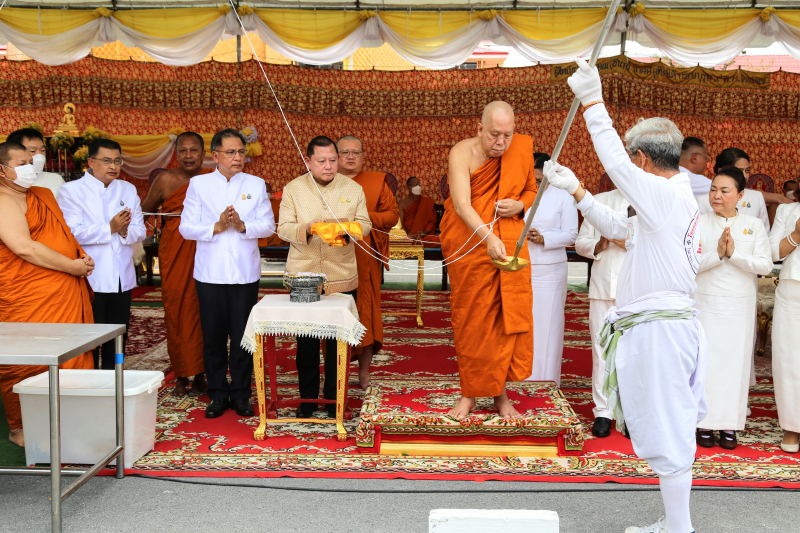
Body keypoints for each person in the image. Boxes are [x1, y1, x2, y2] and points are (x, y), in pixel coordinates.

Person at [548, 58, 707, 533]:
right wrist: (578, 191)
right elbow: (621, 228)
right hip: (662, 327)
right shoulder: (670, 200)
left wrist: (594, 101)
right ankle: (674, 524)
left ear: (642, 159)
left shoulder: (664, 195)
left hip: (661, 330)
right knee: (666, 425)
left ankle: (680, 529)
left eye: (632, 163)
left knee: (670, 429)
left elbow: (614, 162)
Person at [440, 101, 538, 420]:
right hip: (472, 245)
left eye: (507, 135)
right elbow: (461, 204)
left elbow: (532, 191)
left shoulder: (521, 150)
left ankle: (501, 397)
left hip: (508, 243)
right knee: (472, 321)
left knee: (503, 323)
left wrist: (520, 205)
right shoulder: (461, 153)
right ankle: (469, 394)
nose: (501, 143)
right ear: (479, 128)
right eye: (494, 134)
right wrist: (489, 238)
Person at [0, 142, 95, 447]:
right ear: (2, 170)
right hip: (27, 297)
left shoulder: (42, 195)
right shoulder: (3, 200)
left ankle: (70, 422)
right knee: (26, 359)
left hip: (64, 290)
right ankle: (21, 428)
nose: (31, 168)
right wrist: (71, 265)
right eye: (22, 163)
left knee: (72, 353)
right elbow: (24, 247)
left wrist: (80, 258)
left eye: (32, 161)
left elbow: (62, 235)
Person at [179, 129, 275, 418]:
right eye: (231, 152)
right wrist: (216, 227)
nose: (237, 158)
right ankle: (218, 395)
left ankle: (242, 395)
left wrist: (245, 226)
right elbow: (185, 227)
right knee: (214, 337)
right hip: (210, 273)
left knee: (244, 337)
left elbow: (268, 226)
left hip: (245, 272)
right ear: (215, 155)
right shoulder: (199, 184)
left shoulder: (256, 184)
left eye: (241, 152)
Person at [278, 136, 371, 417]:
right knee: (306, 341)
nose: (329, 166)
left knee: (336, 343)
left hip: (342, 275)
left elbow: (365, 224)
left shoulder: (353, 189)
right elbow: (282, 228)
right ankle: (307, 400)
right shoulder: (293, 189)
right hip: (303, 275)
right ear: (308, 161)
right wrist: (307, 228)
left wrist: (347, 229)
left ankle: (335, 401)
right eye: (321, 161)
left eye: (333, 160)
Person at [693, 167, 772, 451]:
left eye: (724, 191)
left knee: (734, 365)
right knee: (705, 363)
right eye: (713, 189)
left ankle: (730, 424)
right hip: (706, 301)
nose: (716, 195)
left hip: (739, 304)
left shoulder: (754, 224)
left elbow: (765, 264)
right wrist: (717, 254)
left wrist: (735, 254)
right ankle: (702, 422)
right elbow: (689, 264)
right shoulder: (698, 222)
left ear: (740, 195)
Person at [58, 139, 146, 370]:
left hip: (121, 278)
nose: (113, 167)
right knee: (89, 339)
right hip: (90, 278)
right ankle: (90, 385)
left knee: (118, 338)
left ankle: (112, 380)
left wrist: (125, 230)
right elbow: (71, 233)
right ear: (90, 162)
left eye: (117, 161)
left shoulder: (127, 189)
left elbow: (140, 230)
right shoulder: (71, 191)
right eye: (106, 161)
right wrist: (110, 228)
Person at [140, 132, 207, 396]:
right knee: (177, 307)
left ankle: (201, 373)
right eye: (183, 151)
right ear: (176, 154)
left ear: (203, 154)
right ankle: (181, 373)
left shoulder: (211, 179)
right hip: (176, 248)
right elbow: (145, 209)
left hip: (204, 248)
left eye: (194, 151)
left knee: (202, 311)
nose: (188, 156)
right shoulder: (165, 180)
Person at [337, 135, 399, 389]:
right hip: (331, 258)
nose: (351, 157)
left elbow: (392, 216)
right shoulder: (325, 182)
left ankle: (364, 372)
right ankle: (334, 373)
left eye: (356, 152)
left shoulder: (375, 182)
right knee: (334, 312)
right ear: (336, 156)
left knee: (366, 312)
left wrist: (360, 219)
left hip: (364, 256)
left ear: (363, 156)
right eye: (345, 152)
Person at [574, 186, 629, 438]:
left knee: (636, 354)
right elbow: (580, 243)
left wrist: (627, 242)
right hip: (603, 288)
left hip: (638, 289)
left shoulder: (652, 200)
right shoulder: (599, 202)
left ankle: (631, 413)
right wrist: (598, 244)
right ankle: (604, 412)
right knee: (602, 351)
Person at [525, 153, 578, 386]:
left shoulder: (563, 195)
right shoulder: (521, 194)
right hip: (522, 267)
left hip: (550, 271)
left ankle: (547, 383)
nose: (537, 185)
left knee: (548, 326)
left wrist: (544, 238)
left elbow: (571, 234)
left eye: (541, 181)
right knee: (524, 326)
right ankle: (520, 379)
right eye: (533, 180)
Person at [769, 190, 800, 454]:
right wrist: (797, 235)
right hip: (793, 291)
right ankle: (793, 426)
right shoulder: (787, 211)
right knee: (789, 359)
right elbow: (772, 253)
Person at [683, 142, 772, 231]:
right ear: (721, 171)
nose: (744, 176)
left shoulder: (757, 197)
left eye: (747, 170)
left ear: (740, 196)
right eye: (739, 171)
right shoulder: (702, 202)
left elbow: (764, 234)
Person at [6, 128, 65, 198]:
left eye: (42, 150)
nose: (39, 155)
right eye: (32, 151)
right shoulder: (6, 182)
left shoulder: (56, 180)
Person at [399, 176, 440, 247]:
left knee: (437, 241)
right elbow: (400, 223)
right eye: (415, 185)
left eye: (419, 185)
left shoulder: (427, 202)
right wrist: (406, 235)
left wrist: (425, 232)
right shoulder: (402, 204)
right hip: (408, 236)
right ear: (408, 187)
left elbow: (432, 221)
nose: (418, 187)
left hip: (423, 237)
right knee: (397, 240)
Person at [257, 182, 288, 248]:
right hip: (258, 236)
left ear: (271, 192)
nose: (265, 193)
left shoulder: (279, 204)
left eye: (267, 191)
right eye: (263, 191)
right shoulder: (253, 205)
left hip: (274, 237)